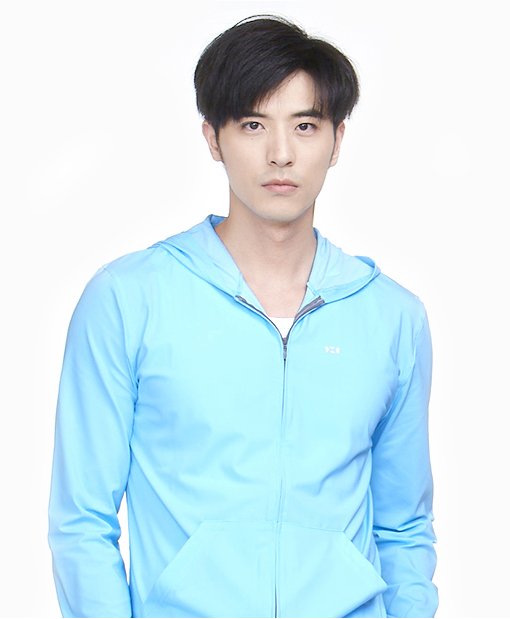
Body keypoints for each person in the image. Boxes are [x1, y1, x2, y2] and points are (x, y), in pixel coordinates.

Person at [48, 14, 438, 618]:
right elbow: (81, 522)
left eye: (305, 126)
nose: (281, 154)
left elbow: (404, 525)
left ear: (337, 141)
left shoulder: (392, 317)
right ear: (213, 137)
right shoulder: (127, 299)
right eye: (254, 125)